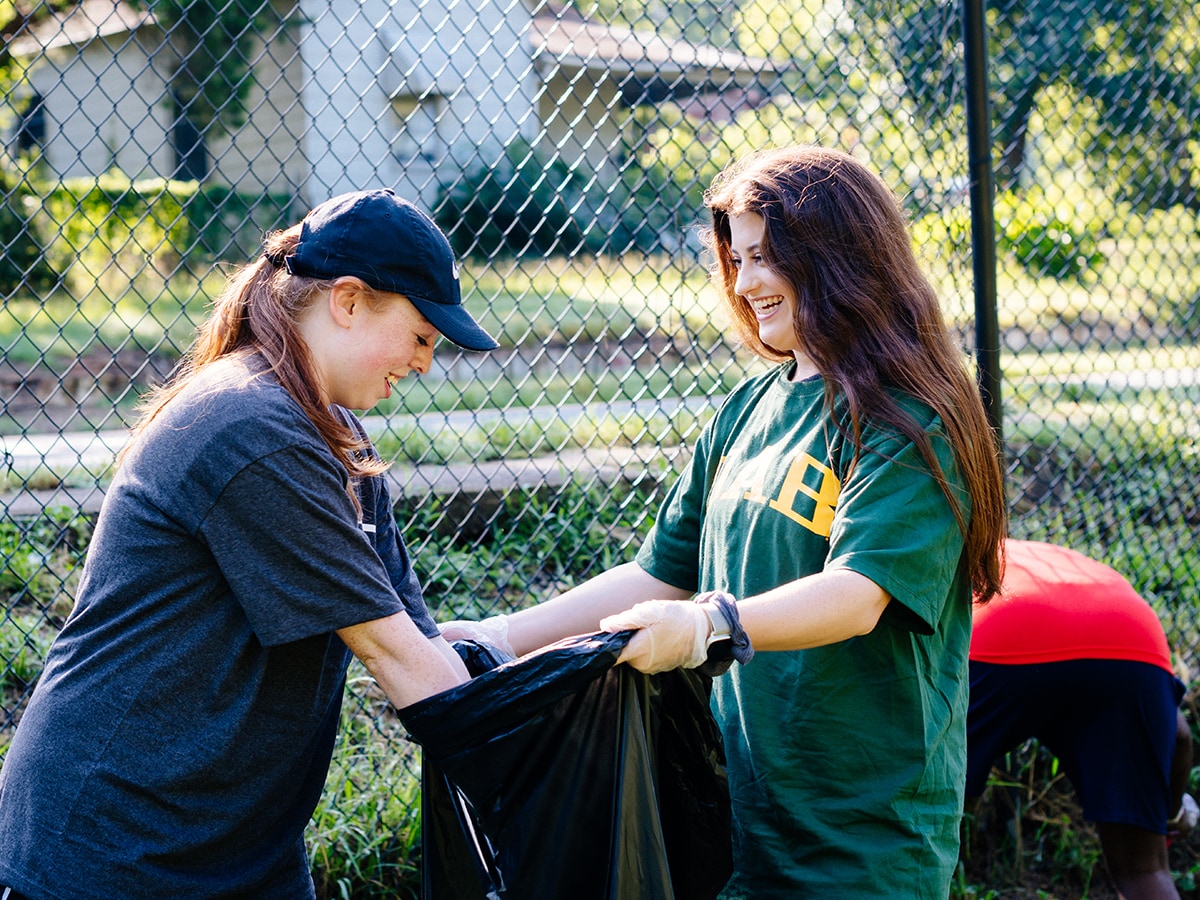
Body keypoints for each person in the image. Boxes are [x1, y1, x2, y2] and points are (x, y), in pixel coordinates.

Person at [443, 145, 1008, 897]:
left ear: (839, 255)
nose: (745, 284)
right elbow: (659, 574)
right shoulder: (750, 408)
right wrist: (500, 637)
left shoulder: (910, 422)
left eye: (767, 257)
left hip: (860, 843)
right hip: (737, 819)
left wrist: (713, 626)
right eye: (737, 259)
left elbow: (857, 593)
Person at [0, 189, 499, 900]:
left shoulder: (336, 437)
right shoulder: (251, 428)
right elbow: (406, 669)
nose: (425, 363)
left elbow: (422, 647)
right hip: (110, 853)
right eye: (422, 336)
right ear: (349, 301)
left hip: (236, 852)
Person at [966, 538, 1196, 900]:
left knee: (920, 811)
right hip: (1130, 635)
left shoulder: (953, 547)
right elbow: (1181, 737)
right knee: (1143, 869)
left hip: (1002, 633)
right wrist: (1165, 814)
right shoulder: (1040, 556)